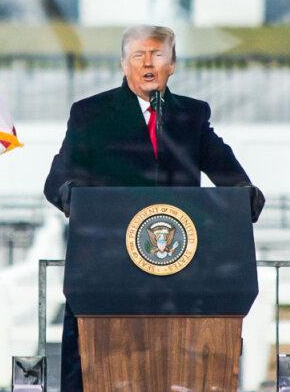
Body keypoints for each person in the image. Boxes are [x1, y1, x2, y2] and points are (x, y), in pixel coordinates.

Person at [43, 24, 265, 392]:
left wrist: (244, 195)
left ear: (172, 65)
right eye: (138, 55)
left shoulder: (191, 116)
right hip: (106, 272)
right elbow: (56, 183)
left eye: (157, 55)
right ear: (123, 64)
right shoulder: (91, 113)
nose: (148, 63)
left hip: (179, 274)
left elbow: (231, 176)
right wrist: (78, 198)